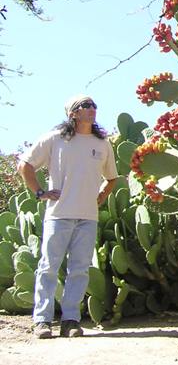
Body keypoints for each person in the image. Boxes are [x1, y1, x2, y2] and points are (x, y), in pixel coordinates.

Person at [17, 94, 117, 339]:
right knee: (48, 267)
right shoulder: (55, 139)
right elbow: (25, 164)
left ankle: (70, 321)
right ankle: (42, 321)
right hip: (59, 215)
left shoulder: (102, 143)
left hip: (88, 216)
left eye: (94, 104)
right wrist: (40, 192)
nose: (92, 108)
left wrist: (102, 194)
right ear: (73, 113)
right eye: (85, 106)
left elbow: (112, 177)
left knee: (80, 269)